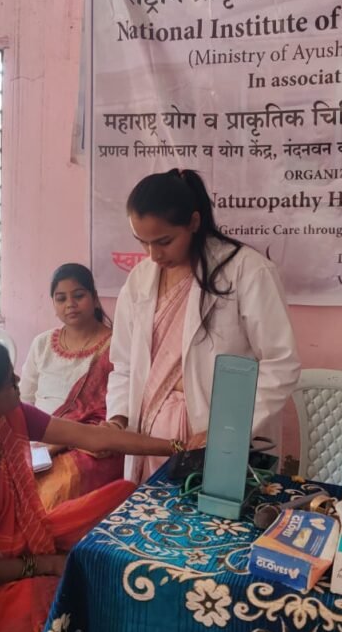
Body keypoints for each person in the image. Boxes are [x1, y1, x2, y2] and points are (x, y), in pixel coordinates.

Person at [0, 339, 185, 632]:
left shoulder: (6, 417)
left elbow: (94, 438)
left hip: (13, 545)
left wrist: (176, 447)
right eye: (9, 381)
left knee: (124, 497)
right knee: (59, 600)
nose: (18, 380)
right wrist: (49, 564)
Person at [106, 168, 301, 481]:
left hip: (219, 435)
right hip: (150, 441)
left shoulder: (247, 271)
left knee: (215, 509)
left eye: (164, 241)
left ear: (194, 222)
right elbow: (124, 364)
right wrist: (118, 418)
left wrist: (226, 430)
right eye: (143, 242)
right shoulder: (139, 280)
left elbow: (281, 363)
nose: (153, 255)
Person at [20, 264, 123, 510]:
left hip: (88, 444)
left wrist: (62, 442)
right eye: (61, 299)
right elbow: (24, 400)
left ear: (95, 299)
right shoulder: (42, 343)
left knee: (55, 491)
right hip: (39, 442)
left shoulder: (116, 345)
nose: (70, 304)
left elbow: (117, 408)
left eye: (78, 296)